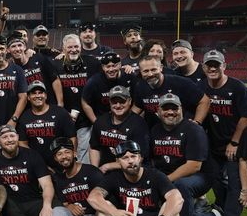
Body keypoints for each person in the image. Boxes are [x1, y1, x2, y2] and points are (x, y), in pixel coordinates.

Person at [150, 94, 220, 216]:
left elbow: (194, 166)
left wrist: (165, 181)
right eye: (166, 108)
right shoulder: (155, 130)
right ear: (158, 111)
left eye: (174, 108)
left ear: (181, 109)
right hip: (170, 176)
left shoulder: (193, 130)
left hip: (200, 176)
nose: (170, 112)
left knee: (181, 186)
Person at [201, 49, 247, 216]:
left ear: (224, 66)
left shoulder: (237, 87)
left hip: (235, 144)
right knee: (215, 180)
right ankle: (225, 210)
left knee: (234, 182)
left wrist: (234, 142)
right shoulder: (201, 87)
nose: (212, 68)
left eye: (216, 65)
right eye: (209, 65)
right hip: (213, 144)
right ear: (203, 67)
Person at [53, 33, 101, 163]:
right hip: (64, 117)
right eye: (70, 47)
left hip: (85, 119)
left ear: (81, 47)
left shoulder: (92, 62)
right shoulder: (55, 65)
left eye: (76, 46)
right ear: (63, 49)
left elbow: (110, 67)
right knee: (65, 154)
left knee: (83, 155)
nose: (73, 50)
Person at [132, 54, 210, 128]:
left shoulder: (180, 83)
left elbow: (204, 101)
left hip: (181, 131)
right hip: (155, 133)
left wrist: (196, 122)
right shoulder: (141, 86)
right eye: (146, 71)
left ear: (161, 68)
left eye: (153, 69)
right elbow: (136, 108)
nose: (150, 74)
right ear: (140, 72)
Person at [89, 85, 151, 173]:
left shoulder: (139, 124)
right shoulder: (100, 121)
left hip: (132, 171)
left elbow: (140, 158)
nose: (118, 105)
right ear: (109, 102)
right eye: (114, 102)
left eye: (122, 101)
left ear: (129, 101)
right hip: (105, 171)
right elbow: (94, 147)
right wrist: (95, 170)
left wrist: (109, 166)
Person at [16, 81, 75, 168]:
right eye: (34, 93)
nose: (37, 96)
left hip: (61, 162)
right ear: (28, 97)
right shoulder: (24, 117)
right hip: (37, 165)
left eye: (40, 92)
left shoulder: (60, 112)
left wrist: (71, 157)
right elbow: (22, 143)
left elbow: (72, 137)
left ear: (46, 96)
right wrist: (37, 162)